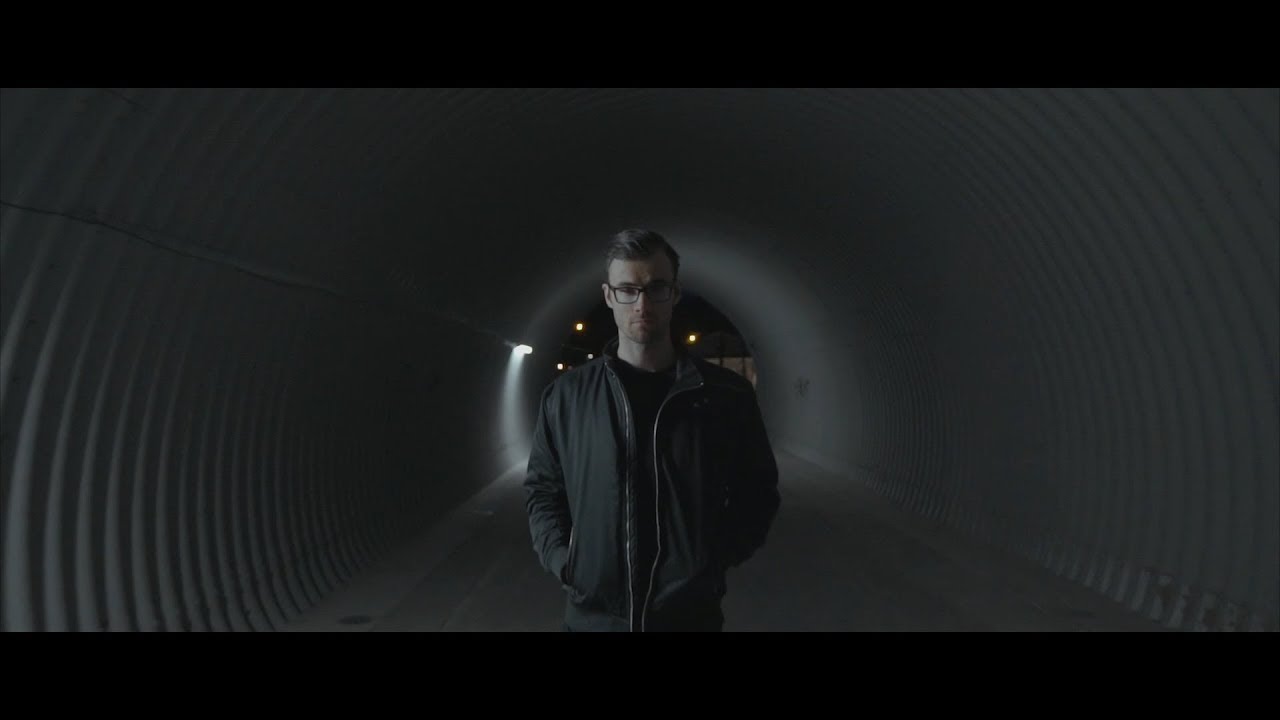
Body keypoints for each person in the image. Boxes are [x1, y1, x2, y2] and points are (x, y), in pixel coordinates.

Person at [523, 229, 780, 632]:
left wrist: (712, 560)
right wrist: (564, 559)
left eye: (655, 288)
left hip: (689, 619)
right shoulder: (567, 398)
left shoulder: (725, 396)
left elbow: (757, 491)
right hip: (594, 619)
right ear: (609, 296)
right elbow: (543, 490)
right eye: (628, 290)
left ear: (674, 293)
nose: (641, 304)